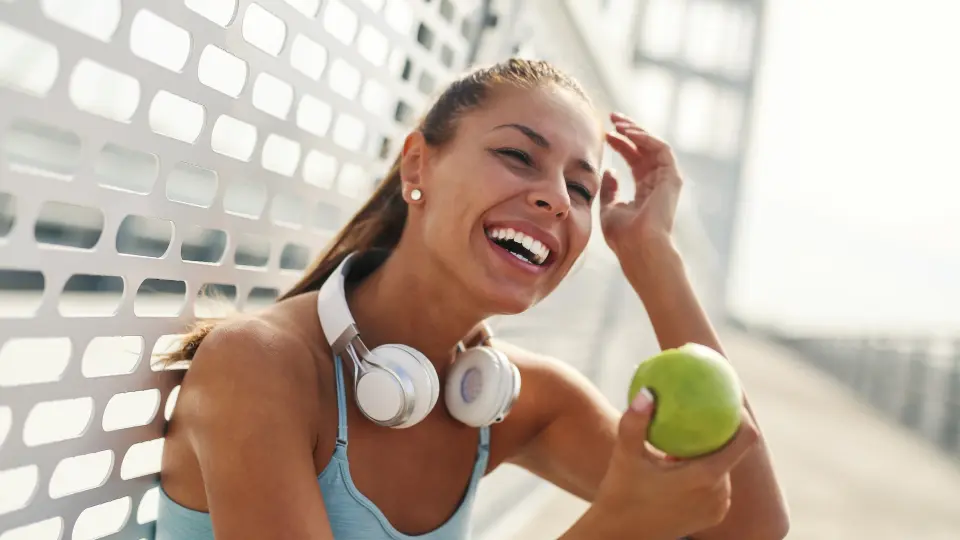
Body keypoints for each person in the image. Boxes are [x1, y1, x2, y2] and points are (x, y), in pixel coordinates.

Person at [156, 58, 789, 540]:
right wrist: (615, 525)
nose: (555, 199)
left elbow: (750, 526)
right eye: (518, 156)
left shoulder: (515, 402)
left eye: (580, 188)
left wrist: (653, 258)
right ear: (416, 168)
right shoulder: (257, 367)